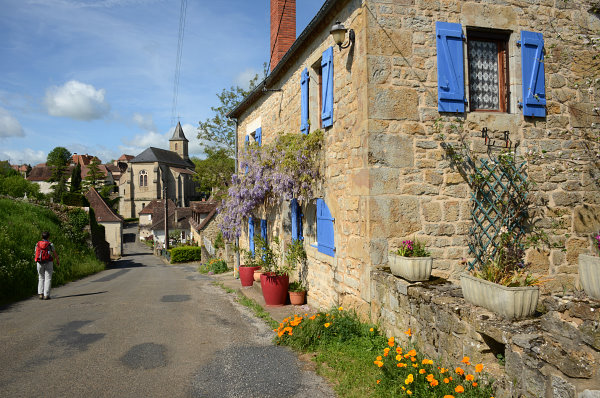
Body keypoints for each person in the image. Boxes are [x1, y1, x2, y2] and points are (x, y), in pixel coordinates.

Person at [35, 231, 59, 300]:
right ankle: (46, 295)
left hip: (39, 262)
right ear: (48, 237)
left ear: (42, 237)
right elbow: (54, 253)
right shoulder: (50, 244)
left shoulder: (37, 244)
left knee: (41, 277)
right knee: (48, 278)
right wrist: (57, 260)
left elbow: (36, 252)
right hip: (48, 262)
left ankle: (40, 294)